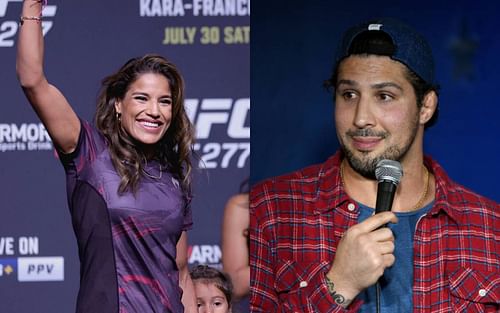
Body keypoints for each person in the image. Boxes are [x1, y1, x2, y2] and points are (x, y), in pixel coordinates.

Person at [250, 17, 499, 313]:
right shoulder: (271, 210)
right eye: (349, 95)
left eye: (384, 96)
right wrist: (338, 286)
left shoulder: (489, 227)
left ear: (426, 106)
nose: (360, 118)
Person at [16, 1, 196, 312]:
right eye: (141, 98)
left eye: (165, 102)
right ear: (117, 104)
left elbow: (180, 273)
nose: (154, 111)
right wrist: (32, 6)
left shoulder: (173, 176)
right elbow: (33, 80)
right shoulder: (89, 151)